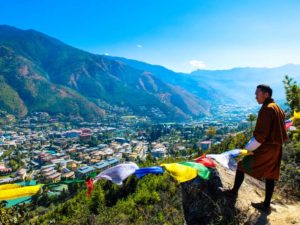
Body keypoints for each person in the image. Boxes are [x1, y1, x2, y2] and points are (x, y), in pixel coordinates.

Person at [223, 84, 288, 214]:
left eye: (257, 93)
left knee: (242, 164)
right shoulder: (278, 108)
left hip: (267, 147)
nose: (255, 96)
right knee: (271, 174)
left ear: (266, 95)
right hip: (277, 147)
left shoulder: (267, 109)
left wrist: (247, 149)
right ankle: (266, 204)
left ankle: (234, 192)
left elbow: (261, 135)